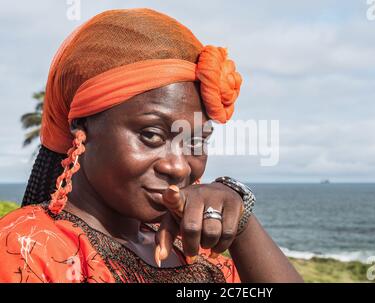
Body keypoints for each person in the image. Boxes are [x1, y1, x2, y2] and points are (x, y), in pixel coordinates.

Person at [0, 8, 302, 283]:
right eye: (152, 136)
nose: (179, 165)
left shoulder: (193, 253)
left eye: (195, 140)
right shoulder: (27, 249)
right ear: (82, 128)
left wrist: (241, 223)